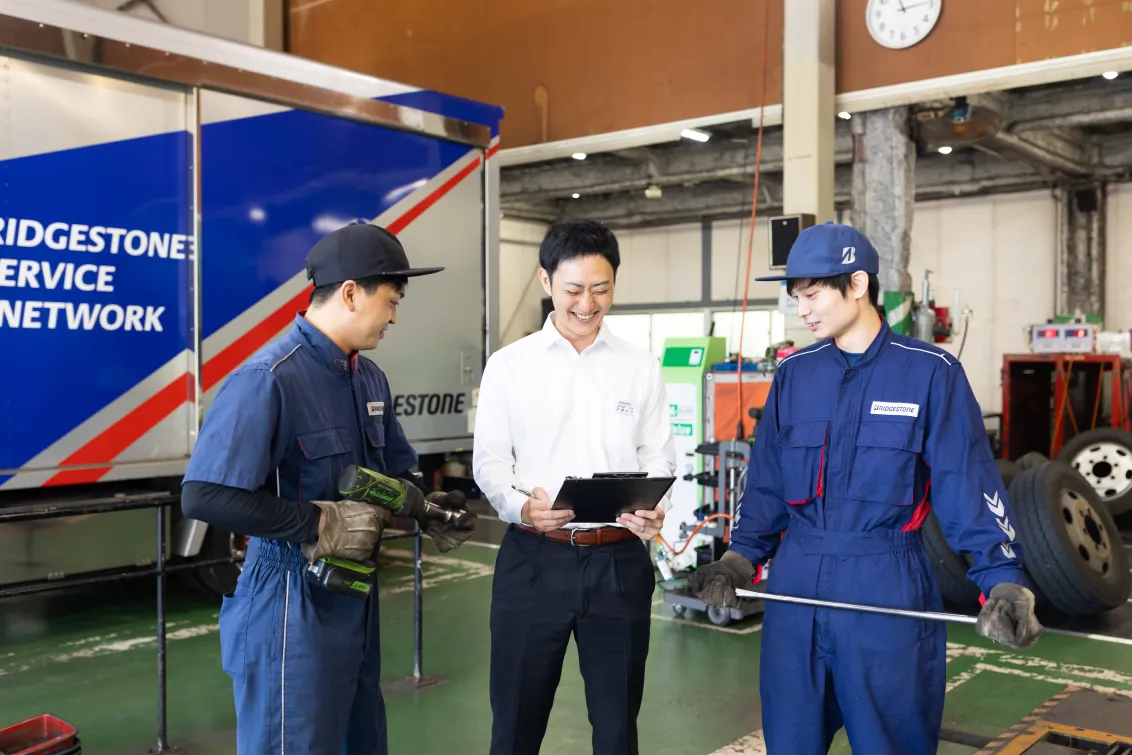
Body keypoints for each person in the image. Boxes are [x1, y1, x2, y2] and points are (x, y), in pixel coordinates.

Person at [689, 222, 1042, 755]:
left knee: (890, 743)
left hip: (885, 586)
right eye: (795, 298)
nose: (802, 311)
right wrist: (740, 559)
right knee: (790, 740)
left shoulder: (930, 374)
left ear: (857, 284)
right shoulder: (794, 375)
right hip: (796, 589)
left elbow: (967, 486)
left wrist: (1003, 580)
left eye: (812, 295)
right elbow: (765, 484)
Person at [181, 221, 475, 755]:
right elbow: (203, 496)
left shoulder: (368, 378)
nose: (394, 316)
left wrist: (428, 506)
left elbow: (396, 471)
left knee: (360, 742)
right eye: (391, 300)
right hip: (289, 601)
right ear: (349, 293)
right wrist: (318, 522)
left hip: (352, 594)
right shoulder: (268, 377)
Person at [472, 218, 677, 755]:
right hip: (533, 561)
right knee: (515, 723)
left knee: (616, 728)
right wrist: (520, 507)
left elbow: (657, 456)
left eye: (602, 288)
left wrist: (652, 511)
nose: (588, 303)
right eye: (574, 289)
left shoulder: (640, 367)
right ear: (545, 281)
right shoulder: (509, 367)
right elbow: (490, 462)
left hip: (618, 564)